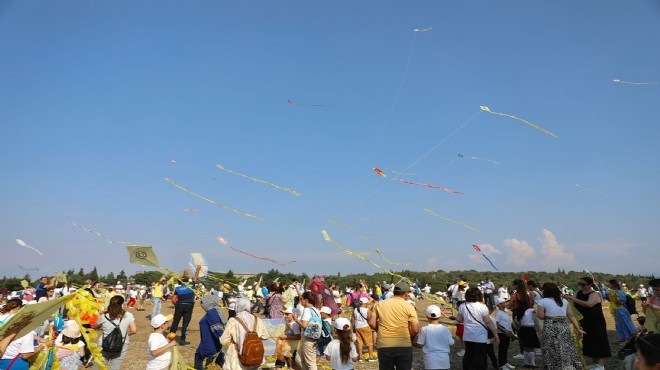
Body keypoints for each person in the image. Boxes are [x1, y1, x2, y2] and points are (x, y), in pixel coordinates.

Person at [368, 281, 419, 370]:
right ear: (406, 294)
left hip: (384, 344)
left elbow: (371, 323)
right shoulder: (409, 306)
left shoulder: (380, 304)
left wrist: (378, 330)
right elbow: (415, 329)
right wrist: (411, 338)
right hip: (403, 344)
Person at [565, 276, 611, 368]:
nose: (581, 286)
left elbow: (589, 304)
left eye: (583, 284)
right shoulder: (578, 292)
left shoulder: (595, 294)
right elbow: (572, 303)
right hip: (584, 322)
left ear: (590, 285)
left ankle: (600, 366)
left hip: (596, 322)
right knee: (589, 343)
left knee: (599, 342)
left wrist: (573, 299)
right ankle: (595, 364)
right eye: (580, 284)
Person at [536, 282, 583, 370]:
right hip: (563, 326)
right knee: (565, 346)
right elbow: (571, 316)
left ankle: (553, 366)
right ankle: (567, 366)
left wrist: (547, 313)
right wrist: (578, 329)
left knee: (551, 347)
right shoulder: (564, 301)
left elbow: (541, 316)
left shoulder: (542, 301)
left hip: (550, 326)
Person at [456, 287, 499, 370]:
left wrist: (455, 318)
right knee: (480, 356)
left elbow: (460, 319)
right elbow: (488, 322)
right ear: (479, 295)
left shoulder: (462, 306)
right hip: (480, 335)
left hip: (468, 335)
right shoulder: (482, 307)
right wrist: (495, 335)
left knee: (468, 354)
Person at [219, 298, 269, 370]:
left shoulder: (233, 321)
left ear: (237, 306)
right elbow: (265, 336)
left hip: (237, 359)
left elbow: (223, 340)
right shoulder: (257, 319)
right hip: (254, 356)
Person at [95, 295, 137, 370]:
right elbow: (134, 330)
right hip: (122, 344)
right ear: (121, 304)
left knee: (99, 366)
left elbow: (95, 326)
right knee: (115, 367)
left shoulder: (105, 316)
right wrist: (125, 334)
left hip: (104, 344)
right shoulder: (128, 315)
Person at [413, 305, 454, 370]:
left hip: (430, 360)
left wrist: (410, 342)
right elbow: (451, 343)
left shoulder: (424, 329)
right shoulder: (446, 329)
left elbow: (420, 345)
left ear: (427, 317)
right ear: (440, 316)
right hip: (444, 359)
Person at [511, 279, 539, 368]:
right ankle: (532, 363)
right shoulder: (531, 310)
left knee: (525, 346)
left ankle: (526, 363)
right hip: (530, 329)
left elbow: (518, 319)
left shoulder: (519, 311)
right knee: (531, 347)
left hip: (523, 328)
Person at [195, 295, 227, 370]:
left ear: (208, 303)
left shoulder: (211, 314)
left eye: (202, 302)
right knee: (220, 362)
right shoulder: (215, 311)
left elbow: (217, 330)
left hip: (209, 344)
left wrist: (225, 341)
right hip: (216, 344)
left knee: (198, 358)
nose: (201, 304)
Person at [294, 291, 321, 370]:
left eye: (301, 298)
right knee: (298, 359)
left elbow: (304, 325)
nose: (300, 300)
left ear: (306, 300)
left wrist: (296, 320)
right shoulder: (316, 311)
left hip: (308, 338)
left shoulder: (307, 310)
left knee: (310, 362)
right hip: (312, 337)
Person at [170, 276, 196, 345]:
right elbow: (195, 277)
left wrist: (177, 305)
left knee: (175, 322)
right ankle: (182, 340)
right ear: (187, 281)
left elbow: (173, 300)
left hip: (179, 305)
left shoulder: (177, 288)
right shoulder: (191, 286)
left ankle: (170, 339)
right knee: (185, 324)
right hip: (189, 306)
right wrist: (198, 269)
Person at [352, 296, 376, 362]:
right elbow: (369, 319)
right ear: (365, 303)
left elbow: (353, 319)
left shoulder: (355, 310)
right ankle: (371, 357)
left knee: (359, 343)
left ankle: (360, 357)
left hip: (357, 327)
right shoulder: (367, 310)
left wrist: (353, 328)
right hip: (366, 327)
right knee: (369, 343)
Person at [494, 297, 515, 370]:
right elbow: (496, 323)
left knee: (505, 349)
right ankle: (502, 364)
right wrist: (504, 330)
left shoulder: (504, 312)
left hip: (507, 333)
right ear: (499, 305)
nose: (506, 303)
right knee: (502, 349)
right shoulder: (499, 313)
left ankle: (505, 362)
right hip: (502, 334)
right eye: (504, 302)